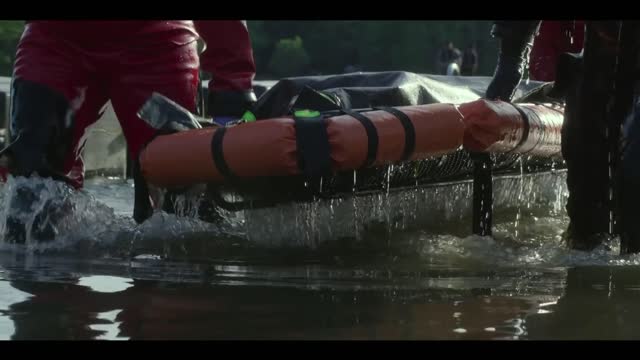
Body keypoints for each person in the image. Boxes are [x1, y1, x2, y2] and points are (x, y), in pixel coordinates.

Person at [2, 20, 258, 243]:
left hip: (158, 39)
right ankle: (47, 292)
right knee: (31, 192)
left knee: (185, 196)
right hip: (56, 38)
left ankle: (181, 290)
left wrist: (233, 84)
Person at [484, 21, 640, 252]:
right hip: (598, 69)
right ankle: (586, 240)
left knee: (633, 170)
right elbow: (513, 45)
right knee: (585, 172)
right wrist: (508, 69)